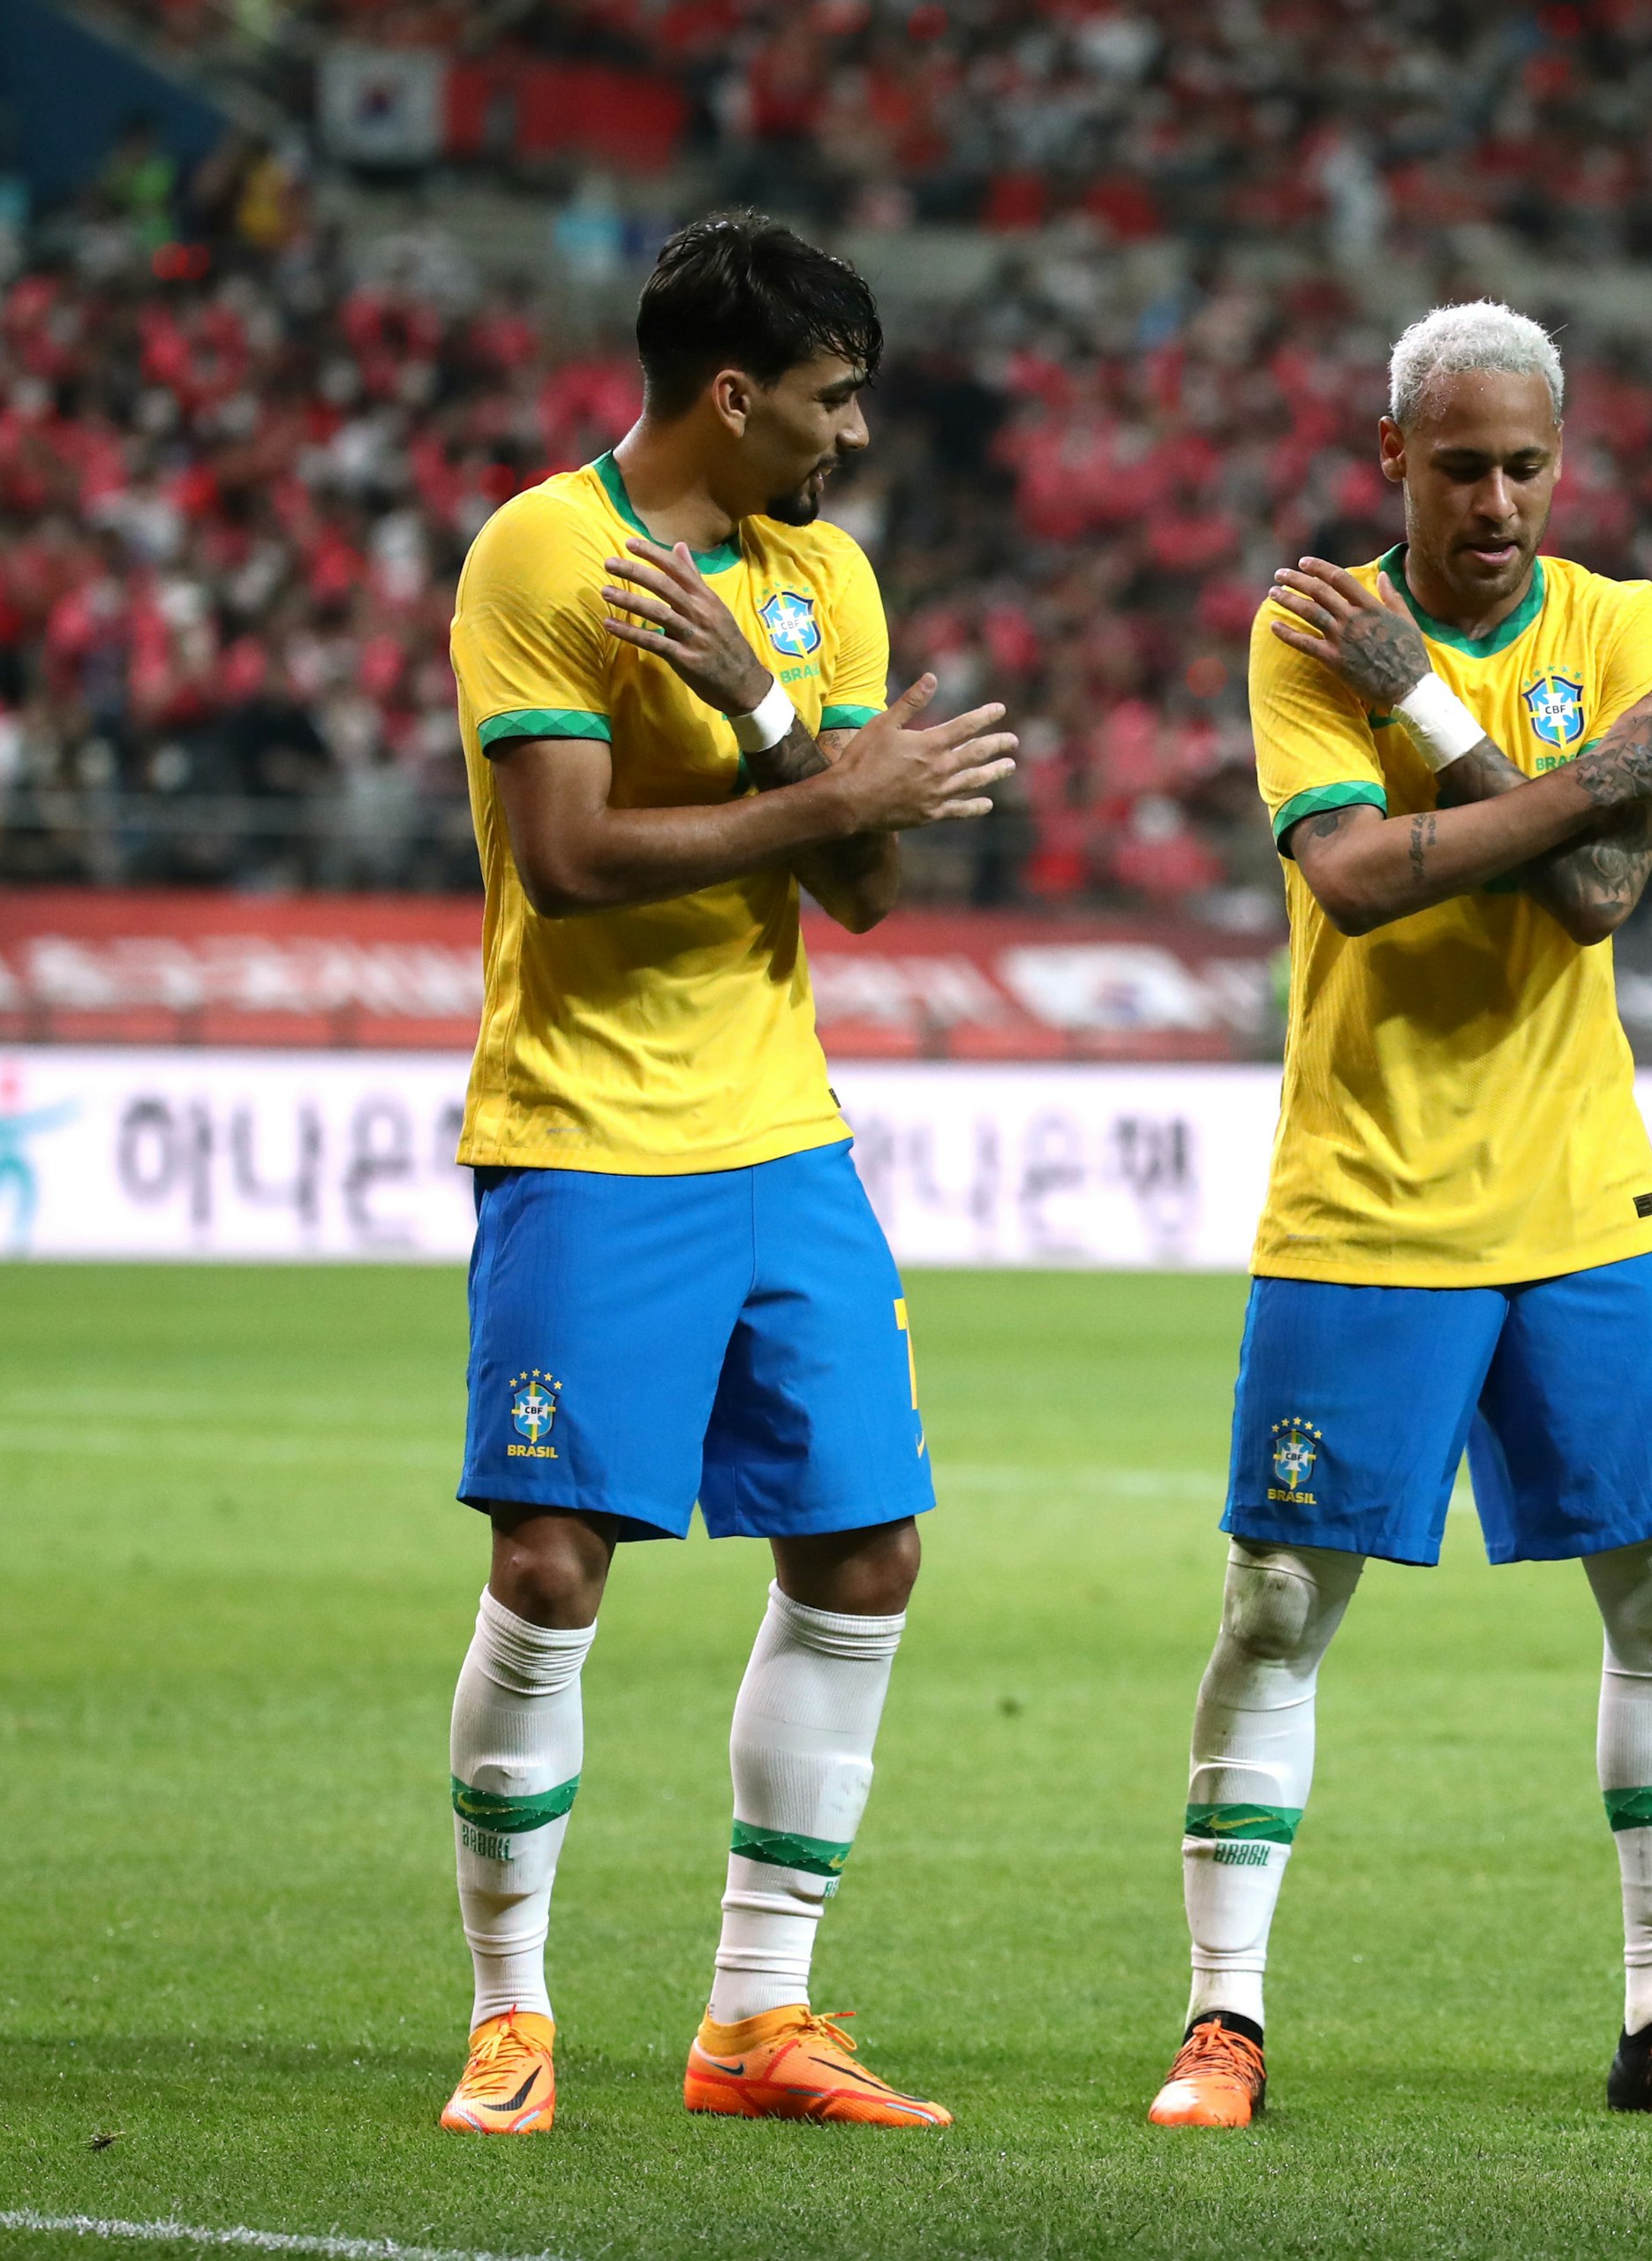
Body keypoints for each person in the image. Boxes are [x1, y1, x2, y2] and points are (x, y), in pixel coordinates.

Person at [1142, 301, 1652, 2134]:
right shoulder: (1305, 629)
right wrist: (1590, 768)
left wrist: (1429, 708)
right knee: (1280, 1597)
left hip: (1583, 1194)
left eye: (1525, 463)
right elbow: (1352, 879)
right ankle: (1224, 2018)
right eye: (1459, 466)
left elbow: (1596, 891)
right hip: (1365, 1190)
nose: (1497, 498)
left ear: (1559, 461)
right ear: (1392, 465)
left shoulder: (1628, 624)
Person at [434, 211, 1018, 2136]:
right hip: (589, 1133)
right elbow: (576, 858)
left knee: (867, 1545)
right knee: (552, 1557)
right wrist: (820, 792)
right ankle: (510, 2009)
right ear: (732, 391)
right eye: (831, 402)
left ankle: (755, 2015)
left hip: (782, 1131)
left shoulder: (822, 581)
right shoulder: (544, 552)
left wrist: (783, 732)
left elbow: (861, 881)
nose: (850, 440)